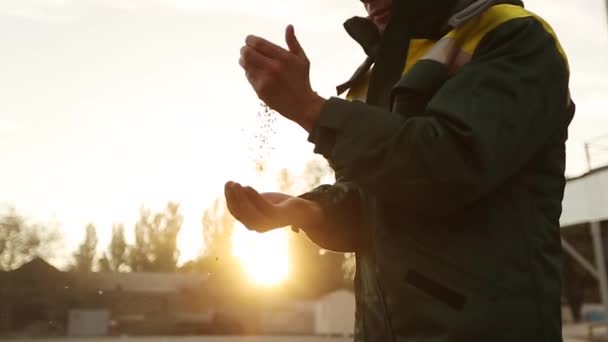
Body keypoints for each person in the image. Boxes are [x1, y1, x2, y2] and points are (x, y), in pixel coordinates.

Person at [226, 0, 575, 340]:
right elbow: (381, 200)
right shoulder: (379, 72)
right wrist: (309, 210)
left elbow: (447, 166)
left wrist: (310, 108)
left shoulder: (515, 36)